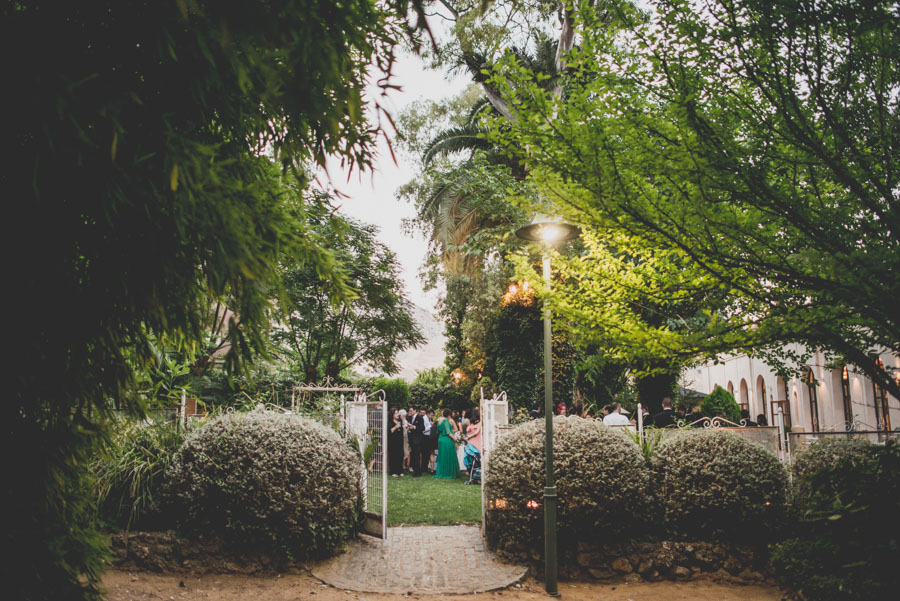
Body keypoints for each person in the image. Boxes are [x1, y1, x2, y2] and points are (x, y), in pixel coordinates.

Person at [434, 409, 459, 479]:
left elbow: (439, 430)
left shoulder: (439, 420)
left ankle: (442, 471)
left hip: (440, 438)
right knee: (448, 456)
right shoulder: (446, 421)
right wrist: (455, 439)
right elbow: (448, 432)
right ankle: (447, 472)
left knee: (442, 457)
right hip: (446, 440)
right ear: (449, 415)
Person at [408, 407, 426, 477]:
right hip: (412, 440)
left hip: (418, 440)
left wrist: (414, 427)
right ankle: (415, 470)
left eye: (411, 411)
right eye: (409, 411)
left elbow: (422, 428)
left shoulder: (419, 417)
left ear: (415, 411)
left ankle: (418, 472)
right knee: (414, 455)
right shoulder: (411, 418)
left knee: (417, 456)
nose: (410, 412)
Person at [387, 408, 405, 477]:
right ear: (392, 414)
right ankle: (393, 471)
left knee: (400, 456)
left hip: (399, 441)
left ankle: (400, 471)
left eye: (398, 413)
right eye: (396, 413)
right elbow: (390, 431)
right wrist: (395, 427)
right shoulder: (390, 422)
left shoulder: (399, 421)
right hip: (392, 442)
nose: (397, 414)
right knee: (393, 456)